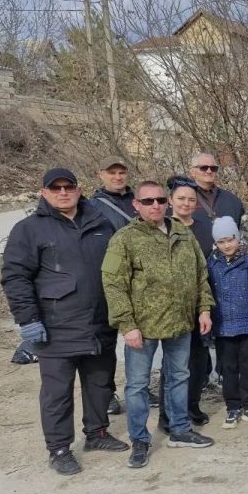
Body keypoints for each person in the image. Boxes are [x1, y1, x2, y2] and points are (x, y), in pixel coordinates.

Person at [1, 168, 129, 475]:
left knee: (99, 383)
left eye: (68, 187)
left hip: (99, 322)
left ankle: (97, 433)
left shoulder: (100, 222)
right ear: (44, 192)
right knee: (57, 393)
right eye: (55, 188)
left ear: (78, 189)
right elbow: (15, 277)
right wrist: (28, 319)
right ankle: (58, 448)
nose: (62, 192)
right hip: (56, 326)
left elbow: (119, 268)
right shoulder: (30, 229)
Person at [102, 180, 216, 469]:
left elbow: (200, 274)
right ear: (136, 205)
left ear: (167, 203)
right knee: (137, 385)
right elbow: (113, 284)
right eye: (148, 201)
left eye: (160, 200)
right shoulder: (125, 239)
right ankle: (140, 440)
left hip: (180, 322)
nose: (155, 205)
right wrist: (127, 325)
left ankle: (179, 429)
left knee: (179, 376)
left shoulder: (182, 233)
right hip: (143, 327)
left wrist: (204, 309)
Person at [153, 176, 215, 431]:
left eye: (191, 199)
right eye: (181, 199)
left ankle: (191, 405)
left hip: (201, 301)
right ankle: (167, 415)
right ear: (170, 201)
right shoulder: (162, 227)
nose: (186, 203)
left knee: (198, 360)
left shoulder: (204, 228)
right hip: (173, 306)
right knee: (173, 363)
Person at [207, 217, 248, 428]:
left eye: (230, 240)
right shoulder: (212, 261)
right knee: (228, 368)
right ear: (216, 243)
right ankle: (233, 406)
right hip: (223, 324)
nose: (227, 245)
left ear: (237, 238)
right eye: (221, 242)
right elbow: (206, 287)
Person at [88, 156, 137, 416]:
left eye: (121, 172)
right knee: (106, 340)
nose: (117, 177)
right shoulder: (92, 206)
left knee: (138, 337)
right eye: (112, 173)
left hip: (138, 280)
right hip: (109, 277)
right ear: (101, 174)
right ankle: (106, 392)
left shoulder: (139, 200)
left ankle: (138, 386)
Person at [189, 152, 245, 230]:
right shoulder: (181, 200)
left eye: (213, 168)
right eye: (203, 168)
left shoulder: (232, 200)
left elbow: (243, 231)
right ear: (192, 172)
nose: (209, 171)